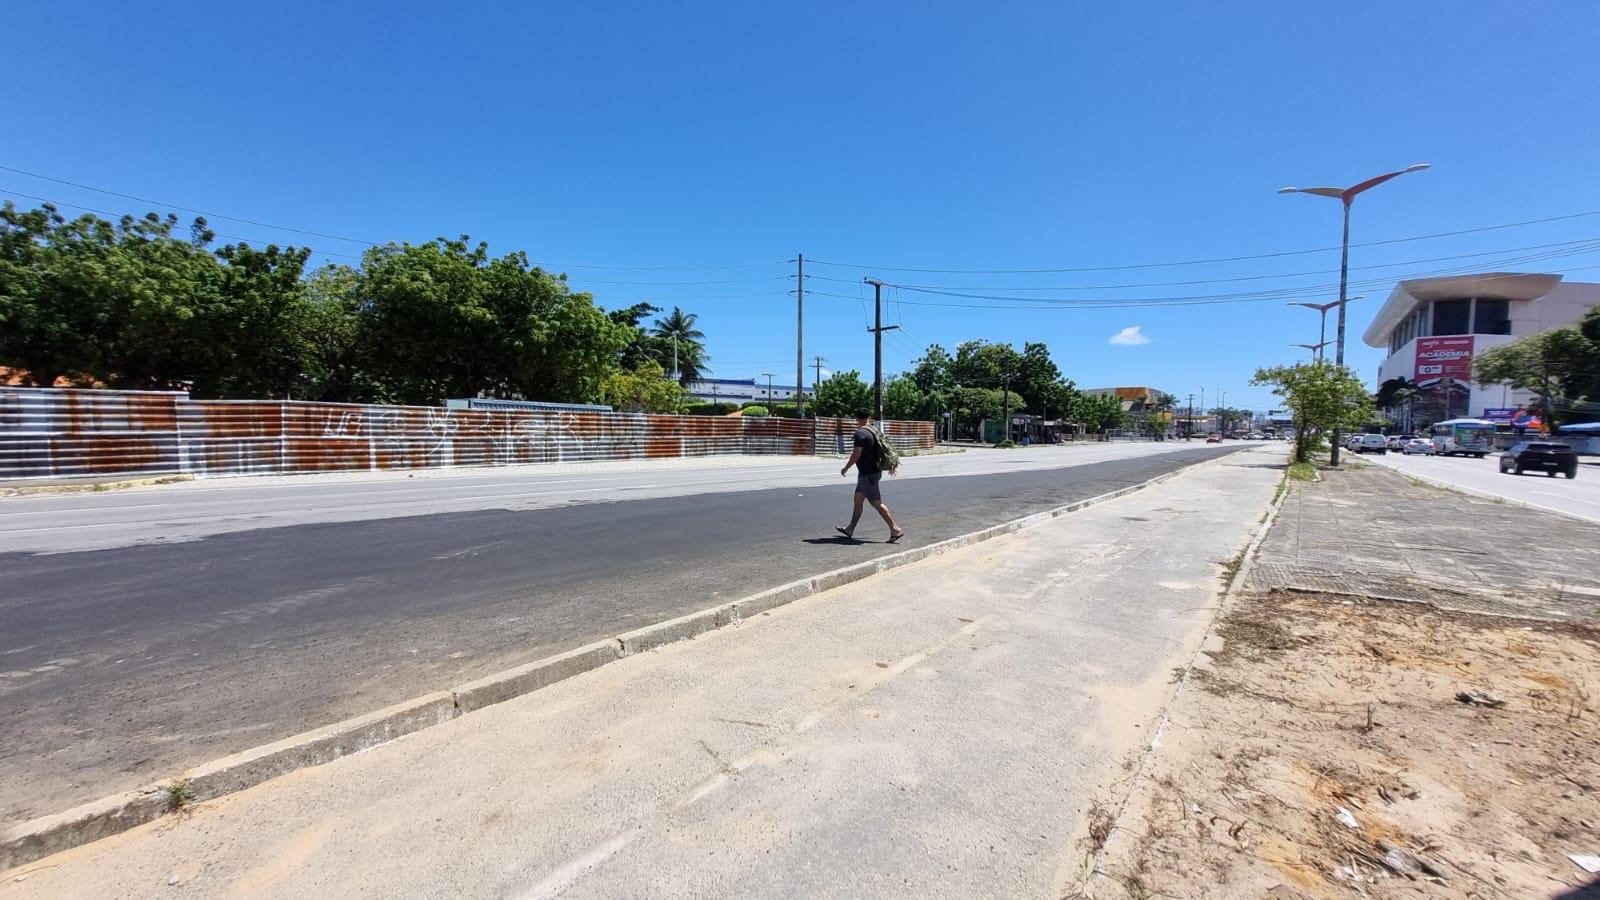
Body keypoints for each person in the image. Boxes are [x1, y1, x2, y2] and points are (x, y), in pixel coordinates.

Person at [837, 408, 905, 543]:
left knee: (877, 503)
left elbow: (857, 454)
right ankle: (850, 529)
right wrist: (891, 464)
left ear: (856, 418)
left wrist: (846, 467)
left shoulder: (860, 434)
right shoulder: (874, 430)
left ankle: (895, 529)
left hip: (867, 474)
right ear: (869, 417)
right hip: (872, 472)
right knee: (858, 499)